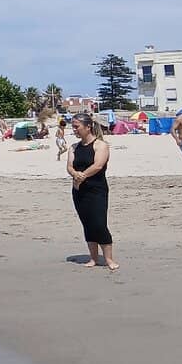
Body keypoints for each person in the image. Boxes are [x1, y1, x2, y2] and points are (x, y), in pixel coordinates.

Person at [67, 113, 118, 270]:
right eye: (73, 126)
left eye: (77, 126)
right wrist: (74, 174)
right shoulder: (74, 147)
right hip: (78, 191)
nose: (74, 129)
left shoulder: (101, 145)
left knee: (99, 223)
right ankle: (93, 258)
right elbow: (69, 166)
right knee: (87, 224)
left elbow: (98, 165)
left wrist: (82, 175)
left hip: (97, 191)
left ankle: (109, 259)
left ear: (88, 127)